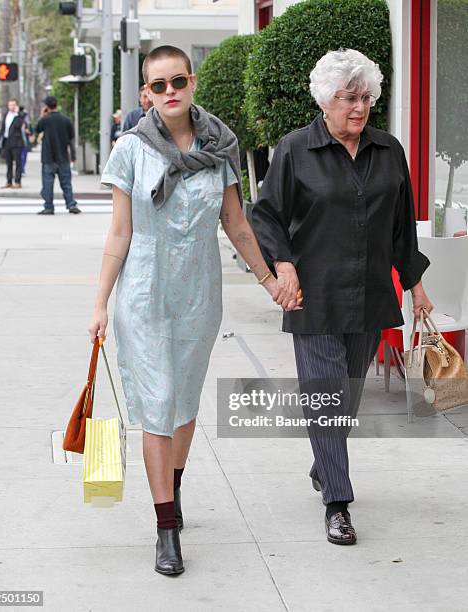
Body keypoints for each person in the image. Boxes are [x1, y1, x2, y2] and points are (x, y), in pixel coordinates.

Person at [88, 45, 297, 576]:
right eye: (158, 86)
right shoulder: (131, 149)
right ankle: (166, 528)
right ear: (145, 95)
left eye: (177, 80)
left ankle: (172, 493)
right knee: (157, 406)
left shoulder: (221, 148)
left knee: (183, 404)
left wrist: (270, 280)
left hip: (199, 298)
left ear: (192, 82)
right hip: (143, 296)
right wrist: (100, 304)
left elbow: (237, 224)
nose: (169, 91)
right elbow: (119, 232)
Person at [252, 48, 434, 546]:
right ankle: (338, 502)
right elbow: (265, 214)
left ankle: (323, 464)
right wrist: (282, 265)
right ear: (325, 101)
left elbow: (402, 227)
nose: (359, 107)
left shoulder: (389, 150)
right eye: (348, 97)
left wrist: (415, 284)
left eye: (366, 97)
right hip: (313, 296)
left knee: (346, 401)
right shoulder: (294, 149)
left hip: (370, 292)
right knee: (326, 399)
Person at [34, 96, 80, 215]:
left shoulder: (45, 119)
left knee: (48, 183)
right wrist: (73, 155)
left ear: (47, 107)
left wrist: (42, 115)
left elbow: (37, 129)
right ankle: (71, 204)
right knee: (66, 183)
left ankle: (49, 207)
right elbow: (71, 138)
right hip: (63, 156)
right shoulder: (66, 119)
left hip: (48, 157)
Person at [0, 98, 25, 189]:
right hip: (7, 141)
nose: (12, 107)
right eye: (10, 105)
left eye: (13, 105)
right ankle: (9, 181)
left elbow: (18, 125)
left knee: (18, 163)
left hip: (17, 142)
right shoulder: (6, 114)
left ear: (16, 105)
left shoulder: (20, 115)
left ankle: (18, 181)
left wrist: (17, 114)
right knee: (8, 163)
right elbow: (3, 127)